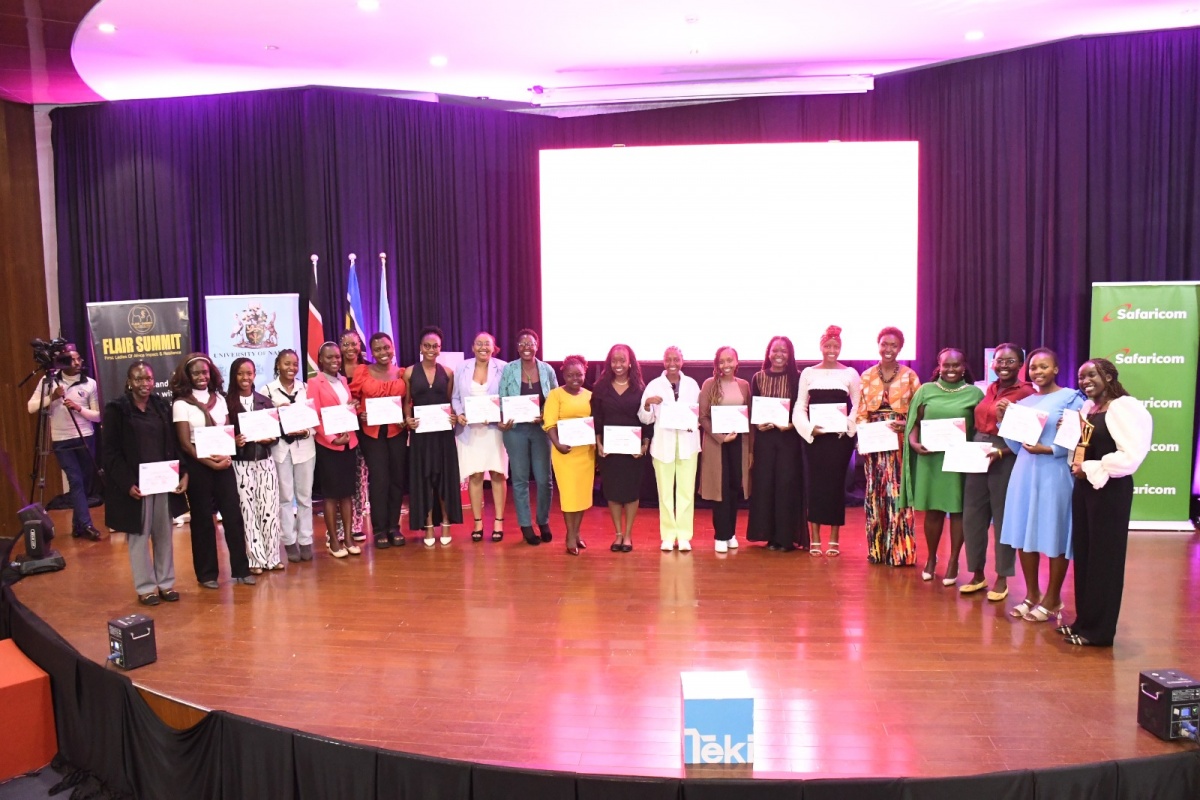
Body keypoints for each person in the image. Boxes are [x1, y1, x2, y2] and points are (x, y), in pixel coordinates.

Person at [1061, 358, 1152, 647]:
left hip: (1110, 490)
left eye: (1092, 375)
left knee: (1105, 560)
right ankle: (1084, 622)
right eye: (1081, 377)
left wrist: (1089, 468)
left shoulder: (1124, 407)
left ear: (1109, 377)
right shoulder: (1088, 408)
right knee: (1086, 555)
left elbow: (1131, 457)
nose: (1085, 381)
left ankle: (1099, 632)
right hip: (1085, 487)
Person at [999, 348, 1084, 623]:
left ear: (1056, 369)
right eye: (1033, 367)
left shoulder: (1071, 398)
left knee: (1055, 532)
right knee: (1024, 533)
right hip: (1024, 472)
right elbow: (1016, 446)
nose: (1038, 372)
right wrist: (1004, 421)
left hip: (1054, 472)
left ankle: (1053, 597)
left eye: (1044, 366)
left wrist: (1049, 450)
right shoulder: (1024, 403)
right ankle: (1032, 594)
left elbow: (1077, 438)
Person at [103, 361, 188, 605]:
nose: (145, 383)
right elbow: (110, 452)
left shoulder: (161, 406)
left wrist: (182, 473)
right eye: (139, 379)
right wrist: (127, 483)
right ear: (129, 382)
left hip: (163, 481)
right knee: (139, 537)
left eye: (149, 378)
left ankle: (166, 583)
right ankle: (145, 588)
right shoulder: (117, 409)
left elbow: (173, 443)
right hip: (136, 486)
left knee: (164, 535)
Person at [899, 348, 984, 585]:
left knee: (958, 510)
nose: (951, 369)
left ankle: (954, 560)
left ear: (964, 367)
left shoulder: (975, 393)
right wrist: (913, 442)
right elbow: (914, 422)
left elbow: (981, 427)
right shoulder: (925, 390)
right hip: (931, 458)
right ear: (939, 365)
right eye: (946, 365)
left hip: (959, 459)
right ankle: (931, 558)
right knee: (933, 510)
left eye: (956, 365)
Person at [171, 353, 255, 588]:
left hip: (224, 463)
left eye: (205, 372)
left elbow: (226, 431)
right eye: (196, 373)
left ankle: (241, 569)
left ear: (211, 373)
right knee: (202, 520)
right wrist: (210, 462)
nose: (201, 376)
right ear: (188, 375)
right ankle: (207, 574)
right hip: (199, 466)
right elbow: (185, 443)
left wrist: (227, 454)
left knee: (233, 516)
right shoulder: (181, 404)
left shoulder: (220, 398)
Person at [959, 344, 1034, 599]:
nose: (1003, 365)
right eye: (999, 360)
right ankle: (977, 574)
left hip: (1006, 454)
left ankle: (1002, 577)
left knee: (1003, 517)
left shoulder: (1027, 393)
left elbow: (1028, 434)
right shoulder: (988, 389)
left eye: (1010, 361)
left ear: (1020, 365)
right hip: (978, 451)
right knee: (973, 515)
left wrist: (1002, 452)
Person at [793, 325, 861, 556]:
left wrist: (848, 426)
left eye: (836, 346)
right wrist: (810, 429)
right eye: (827, 346)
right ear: (821, 347)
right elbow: (800, 407)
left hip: (840, 441)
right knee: (815, 487)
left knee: (835, 488)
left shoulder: (850, 373)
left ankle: (834, 538)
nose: (832, 350)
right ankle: (815, 538)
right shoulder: (808, 373)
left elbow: (858, 406)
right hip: (815, 440)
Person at [856, 327, 921, 566]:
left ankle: (900, 552)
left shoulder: (910, 376)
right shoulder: (866, 376)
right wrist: (862, 437)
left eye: (893, 345)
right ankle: (877, 549)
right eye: (884, 344)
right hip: (874, 442)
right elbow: (861, 411)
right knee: (875, 493)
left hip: (899, 442)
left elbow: (919, 410)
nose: (888, 349)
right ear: (878, 345)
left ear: (900, 348)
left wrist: (906, 424)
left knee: (897, 492)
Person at [26, 345, 103, 540]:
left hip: (85, 437)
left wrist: (78, 408)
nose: (76, 363)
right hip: (61, 440)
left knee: (84, 482)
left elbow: (98, 416)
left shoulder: (90, 383)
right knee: (75, 480)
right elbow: (31, 407)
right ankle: (86, 524)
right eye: (71, 360)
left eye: (79, 359)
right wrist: (52, 397)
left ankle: (78, 525)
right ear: (62, 362)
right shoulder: (49, 382)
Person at [639, 346, 702, 552]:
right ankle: (667, 535)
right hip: (663, 445)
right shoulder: (654, 385)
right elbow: (645, 418)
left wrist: (691, 421)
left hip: (687, 444)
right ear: (663, 361)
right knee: (665, 493)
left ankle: (683, 536)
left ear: (682, 361)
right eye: (668, 359)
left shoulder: (692, 385)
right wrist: (647, 404)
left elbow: (699, 414)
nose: (672, 363)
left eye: (676, 359)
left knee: (686, 492)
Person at [404, 326, 462, 546]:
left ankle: (446, 522)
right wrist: (407, 419)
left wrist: (453, 416)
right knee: (424, 479)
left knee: (444, 479)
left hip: (443, 435)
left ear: (440, 348)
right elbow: (406, 402)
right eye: (427, 345)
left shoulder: (448, 372)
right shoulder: (409, 372)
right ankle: (428, 524)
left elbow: (450, 401)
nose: (431, 349)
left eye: (435, 346)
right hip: (421, 435)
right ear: (420, 347)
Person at [499, 329, 558, 545]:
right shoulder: (509, 369)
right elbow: (502, 397)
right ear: (517, 347)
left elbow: (555, 398)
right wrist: (502, 418)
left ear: (537, 345)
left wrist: (545, 415)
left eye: (530, 343)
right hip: (515, 430)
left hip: (540, 429)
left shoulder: (547, 369)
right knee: (520, 479)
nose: (526, 347)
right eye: (522, 343)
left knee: (544, 480)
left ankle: (543, 521)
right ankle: (525, 525)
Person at [351, 332, 409, 548]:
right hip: (372, 433)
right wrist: (360, 413)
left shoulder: (403, 373)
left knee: (397, 478)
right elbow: (352, 399)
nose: (383, 352)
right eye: (377, 349)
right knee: (379, 479)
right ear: (371, 352)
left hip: (397, 431)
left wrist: (406, 416)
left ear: (392, 347)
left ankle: (394, 526)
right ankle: (379, 529)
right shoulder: (362, 372)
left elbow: (409, 401)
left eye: (386, 347)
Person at [748, 336, 806, 551]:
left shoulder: (798, 377)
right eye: (775, 350)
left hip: (788, 439)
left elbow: (802, 409)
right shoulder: (758, 377)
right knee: (765, 486)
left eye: (783, 350)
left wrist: (790, 425)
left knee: (786, 486)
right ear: (768, 353)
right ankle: (770, 536)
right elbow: (753, 409)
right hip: (765, 440)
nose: (779, 354)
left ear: (790, 355)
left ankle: (786, 537)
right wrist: (757, 423)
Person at [227, 357, 283, 573]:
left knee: (269, 508)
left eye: (249, 373)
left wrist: (270, 439)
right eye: (240, 373)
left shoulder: (264, 402)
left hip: (265, 462)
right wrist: (234, 441)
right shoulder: (227, 403)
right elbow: (223, 436)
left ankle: (273, 557)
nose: (245, 377)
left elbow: (275, 435)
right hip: (241, 465)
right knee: (248, 512)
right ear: (234, 375)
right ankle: (255, 559)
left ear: (255, 375)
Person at [592, 344, 650, 552]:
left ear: (630, 362)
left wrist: (645, 445)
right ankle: (618, 534)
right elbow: (596, 418)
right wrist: (598, 443)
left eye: (622, 360)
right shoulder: (600, 388)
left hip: (633, 452)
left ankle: (628, 535)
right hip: (610, 450)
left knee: (631, 493)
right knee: (613, 492)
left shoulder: (640, 388)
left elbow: (647, 420)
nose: (618, 364)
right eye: (614, 360)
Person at [452, 332, 509, 542]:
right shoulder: (462, 368)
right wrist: (460, 414)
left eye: (487, 344)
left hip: (495, 430)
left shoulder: (504, 367)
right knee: (475, 476)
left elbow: (509, 396)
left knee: (497, 474)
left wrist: (499, 415)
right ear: (472, 347)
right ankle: (477, 522)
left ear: (494, 347)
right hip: (470, 430)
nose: (483, 347)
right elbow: (455, 397)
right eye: (479, 343)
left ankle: (499, 521)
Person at [309, 341, 361, 558]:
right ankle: (333, 541)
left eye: (337, 357)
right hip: (329, 447)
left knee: (347, 494)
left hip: (349, 443)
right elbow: (314, 416)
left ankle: (348, 538)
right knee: (331, 496)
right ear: (321, 360)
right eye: (329, 357)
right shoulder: (314, 382)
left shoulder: (342, 380)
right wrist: (332, 439)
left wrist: (353, 408)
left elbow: (344, 410)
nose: (335, 360)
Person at [265, 350, 317, 562]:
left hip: (305, 448)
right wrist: (278, 414)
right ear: (278, 365)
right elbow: (263, 423)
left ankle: (305, 540)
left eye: (295, 364)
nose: (291, 368)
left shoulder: (306, 388)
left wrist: (305, 431)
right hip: (281, 450)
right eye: (286, 363)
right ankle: (288, 540)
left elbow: (315, 420)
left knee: (305, 496)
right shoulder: (267, 391)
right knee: (285, 497)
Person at [698, 346, 751, 553]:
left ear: (736, 362)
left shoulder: (744, 385)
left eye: (730, 360)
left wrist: (751, 450)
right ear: (717, 364)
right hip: (717, 443)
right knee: (719, 490)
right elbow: (703, 417)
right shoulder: (709, 384)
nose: (726, 365)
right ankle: (720, 535)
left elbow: (749, 417)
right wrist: (721, 437)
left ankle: (731, 533)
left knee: (734, 487)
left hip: (739, 442)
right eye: (721, 361)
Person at [543, 355, 594, 555]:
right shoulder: (555, 395)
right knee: (569, 495)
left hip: (585, 453)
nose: (575, 379)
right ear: (563, 375)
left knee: (582, 495)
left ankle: (576, 532)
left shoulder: (590, 395)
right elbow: (549, 423)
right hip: (564, 452)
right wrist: (557, 444)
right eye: (570, 375)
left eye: (579, 375)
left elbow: (594, 422)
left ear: (585, 374)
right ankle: (570, 535)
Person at [339, 330, 372, 543]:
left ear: (360, 345)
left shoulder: (369, 368)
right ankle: (341, 528)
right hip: (341, 431)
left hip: (364, 429)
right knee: (342, 481)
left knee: (360, 478)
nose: (350, 348)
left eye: (354, 344)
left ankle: (357, 525)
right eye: (346, 344)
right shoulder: (333, 369)